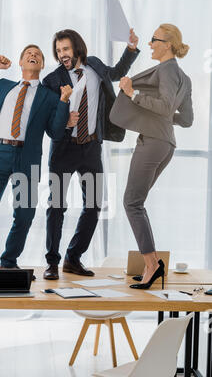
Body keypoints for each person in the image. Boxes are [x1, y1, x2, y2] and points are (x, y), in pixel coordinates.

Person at [0, 46, 72, 287]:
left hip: (26, 157)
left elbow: (55, 132)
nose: (33, 55)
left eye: (38, 55)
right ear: (21, 62)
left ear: (42, 65)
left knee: (25, 214)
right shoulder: (2, 86)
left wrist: (64, 102)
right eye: (28, 54)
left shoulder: (50, 96)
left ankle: (9, 262)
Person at [42, 28, 140, 280]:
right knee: (56, 206)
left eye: (65, 49)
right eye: (58, 50)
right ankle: (52, 262)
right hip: (63, 148)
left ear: (77, 47)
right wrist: (64, 121)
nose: (62, 54)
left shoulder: (94, 66)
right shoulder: (52, 81)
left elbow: (117, 73)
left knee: (94, 205)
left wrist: (130, 49)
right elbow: (47, 119)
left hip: (91, 148)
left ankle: (72, 258)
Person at [110, 23, 193, 289]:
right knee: (137, 202)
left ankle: (151, 266)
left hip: (154, 141)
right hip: (166, 142)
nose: (150, 44)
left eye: (154, 40)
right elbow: (187, 119)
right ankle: (154, 263)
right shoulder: (185, 78)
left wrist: (132, 93)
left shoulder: (167, 70)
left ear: (167, 44)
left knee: (131, 203)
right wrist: (167, 120)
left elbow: (165, 105)